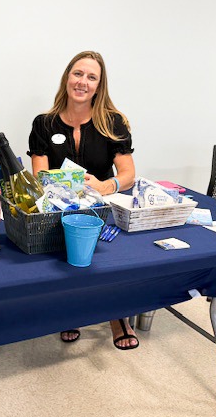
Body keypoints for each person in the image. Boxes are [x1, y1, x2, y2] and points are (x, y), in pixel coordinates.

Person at [28, 50, 138, 350]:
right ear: (67, 78)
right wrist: (65, 191)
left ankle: (117, 316)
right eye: (78, 74)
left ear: (99, 86)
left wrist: (105, 185)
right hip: (61, 210)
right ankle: (72, 310)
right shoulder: (44, 124)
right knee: (65, 256)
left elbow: (128, 174)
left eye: (92, 77)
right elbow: (39, 177)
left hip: (103, 209)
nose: (83, 82)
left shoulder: (112, 123)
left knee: (110, 257)